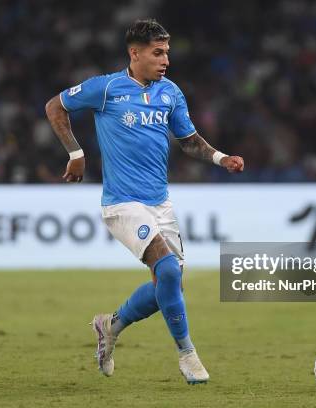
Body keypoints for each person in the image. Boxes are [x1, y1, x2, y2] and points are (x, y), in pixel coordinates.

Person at [45, 18, 244, 385]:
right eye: (157, 52)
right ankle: (188, 356)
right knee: (167, 270)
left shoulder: (171, 93)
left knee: (168, 288)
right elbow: (55, 106)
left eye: (166, 52)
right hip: (122, 204)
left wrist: (221, 158)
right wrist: (75, 152)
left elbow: (187, 140)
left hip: (160, 204)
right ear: (134, 53)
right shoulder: (106, 89)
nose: (165, 59)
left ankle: (111, 325)